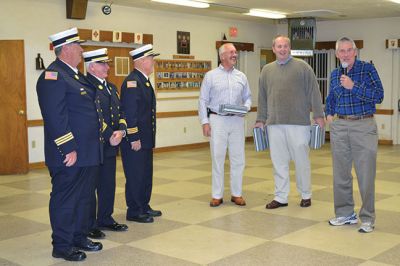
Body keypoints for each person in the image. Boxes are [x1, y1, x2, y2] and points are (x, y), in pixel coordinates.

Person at [36, 28, 102, 262]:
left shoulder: (73, 75)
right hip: (70, 154)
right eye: (78, 47)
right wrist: (68, 148)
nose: (82, 50)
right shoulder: (52, 76)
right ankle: (62, 245)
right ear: (65, 50)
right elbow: (55, 117)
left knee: (83, 197)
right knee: (66, 199)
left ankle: (79, 236)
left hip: (86, 152)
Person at [255, 35, 324, 209]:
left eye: (285, 46)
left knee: (301, 161)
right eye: (279, 46)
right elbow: (262, 97)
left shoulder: (303, 67)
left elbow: (314, 92)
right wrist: (260, 119)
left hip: (298, 123)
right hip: (274, 123)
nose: (282, 49)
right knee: (278, 162)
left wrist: (318, 114)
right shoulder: (266, 70)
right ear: (273, 49)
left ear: (290, 48)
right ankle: (281, 197)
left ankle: (306, 194)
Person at [326, 37, 384, 233]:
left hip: (363, 125)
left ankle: (367, 217)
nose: (345, 54)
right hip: (340, 125)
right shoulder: (335, 74)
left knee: (365, 174)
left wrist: (354, 86)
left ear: (355, 51)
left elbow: (379, 95)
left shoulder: (367, 69)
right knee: (341, 173)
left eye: (349, 50)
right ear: (336, 54)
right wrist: (328, 114)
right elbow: (331, 98)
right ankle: (345, 213)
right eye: (341, 51)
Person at [82, 48, 129, 239]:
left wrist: (121, 130)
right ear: (92, 67)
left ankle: (105, 218)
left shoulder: (111, 87)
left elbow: (121, 112)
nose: (107, 67)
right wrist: (109, 133)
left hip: (111, 145)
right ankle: (90, 224)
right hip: (95, 145)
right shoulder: (86, 86)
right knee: (91, 186)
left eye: (107, 63)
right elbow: (91, 116)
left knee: (108, 184)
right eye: (103, 63)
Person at [198, 43, 252, 207]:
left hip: (236, 120)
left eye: (235, 52)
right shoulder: (211, 76)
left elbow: (248, 97)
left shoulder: (241, 76)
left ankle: (237, 194)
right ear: (222, 56)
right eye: (231, 52)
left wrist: (246, 107)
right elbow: (203, 100)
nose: (234, 55)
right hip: (217, 120)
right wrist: (205, 122)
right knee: (217, 157)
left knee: (238, 159)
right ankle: (217, 195)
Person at [120, 44, 162, 223]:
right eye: (151, 59)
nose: (153, 62)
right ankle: (135, 210)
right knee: (136, 175)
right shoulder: (132, 82)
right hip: (135, 140)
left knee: (145, 173)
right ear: (143, 61)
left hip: (145, 139)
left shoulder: (143, 80)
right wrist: (134, 137)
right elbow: (130, 113)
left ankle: (144, 205)